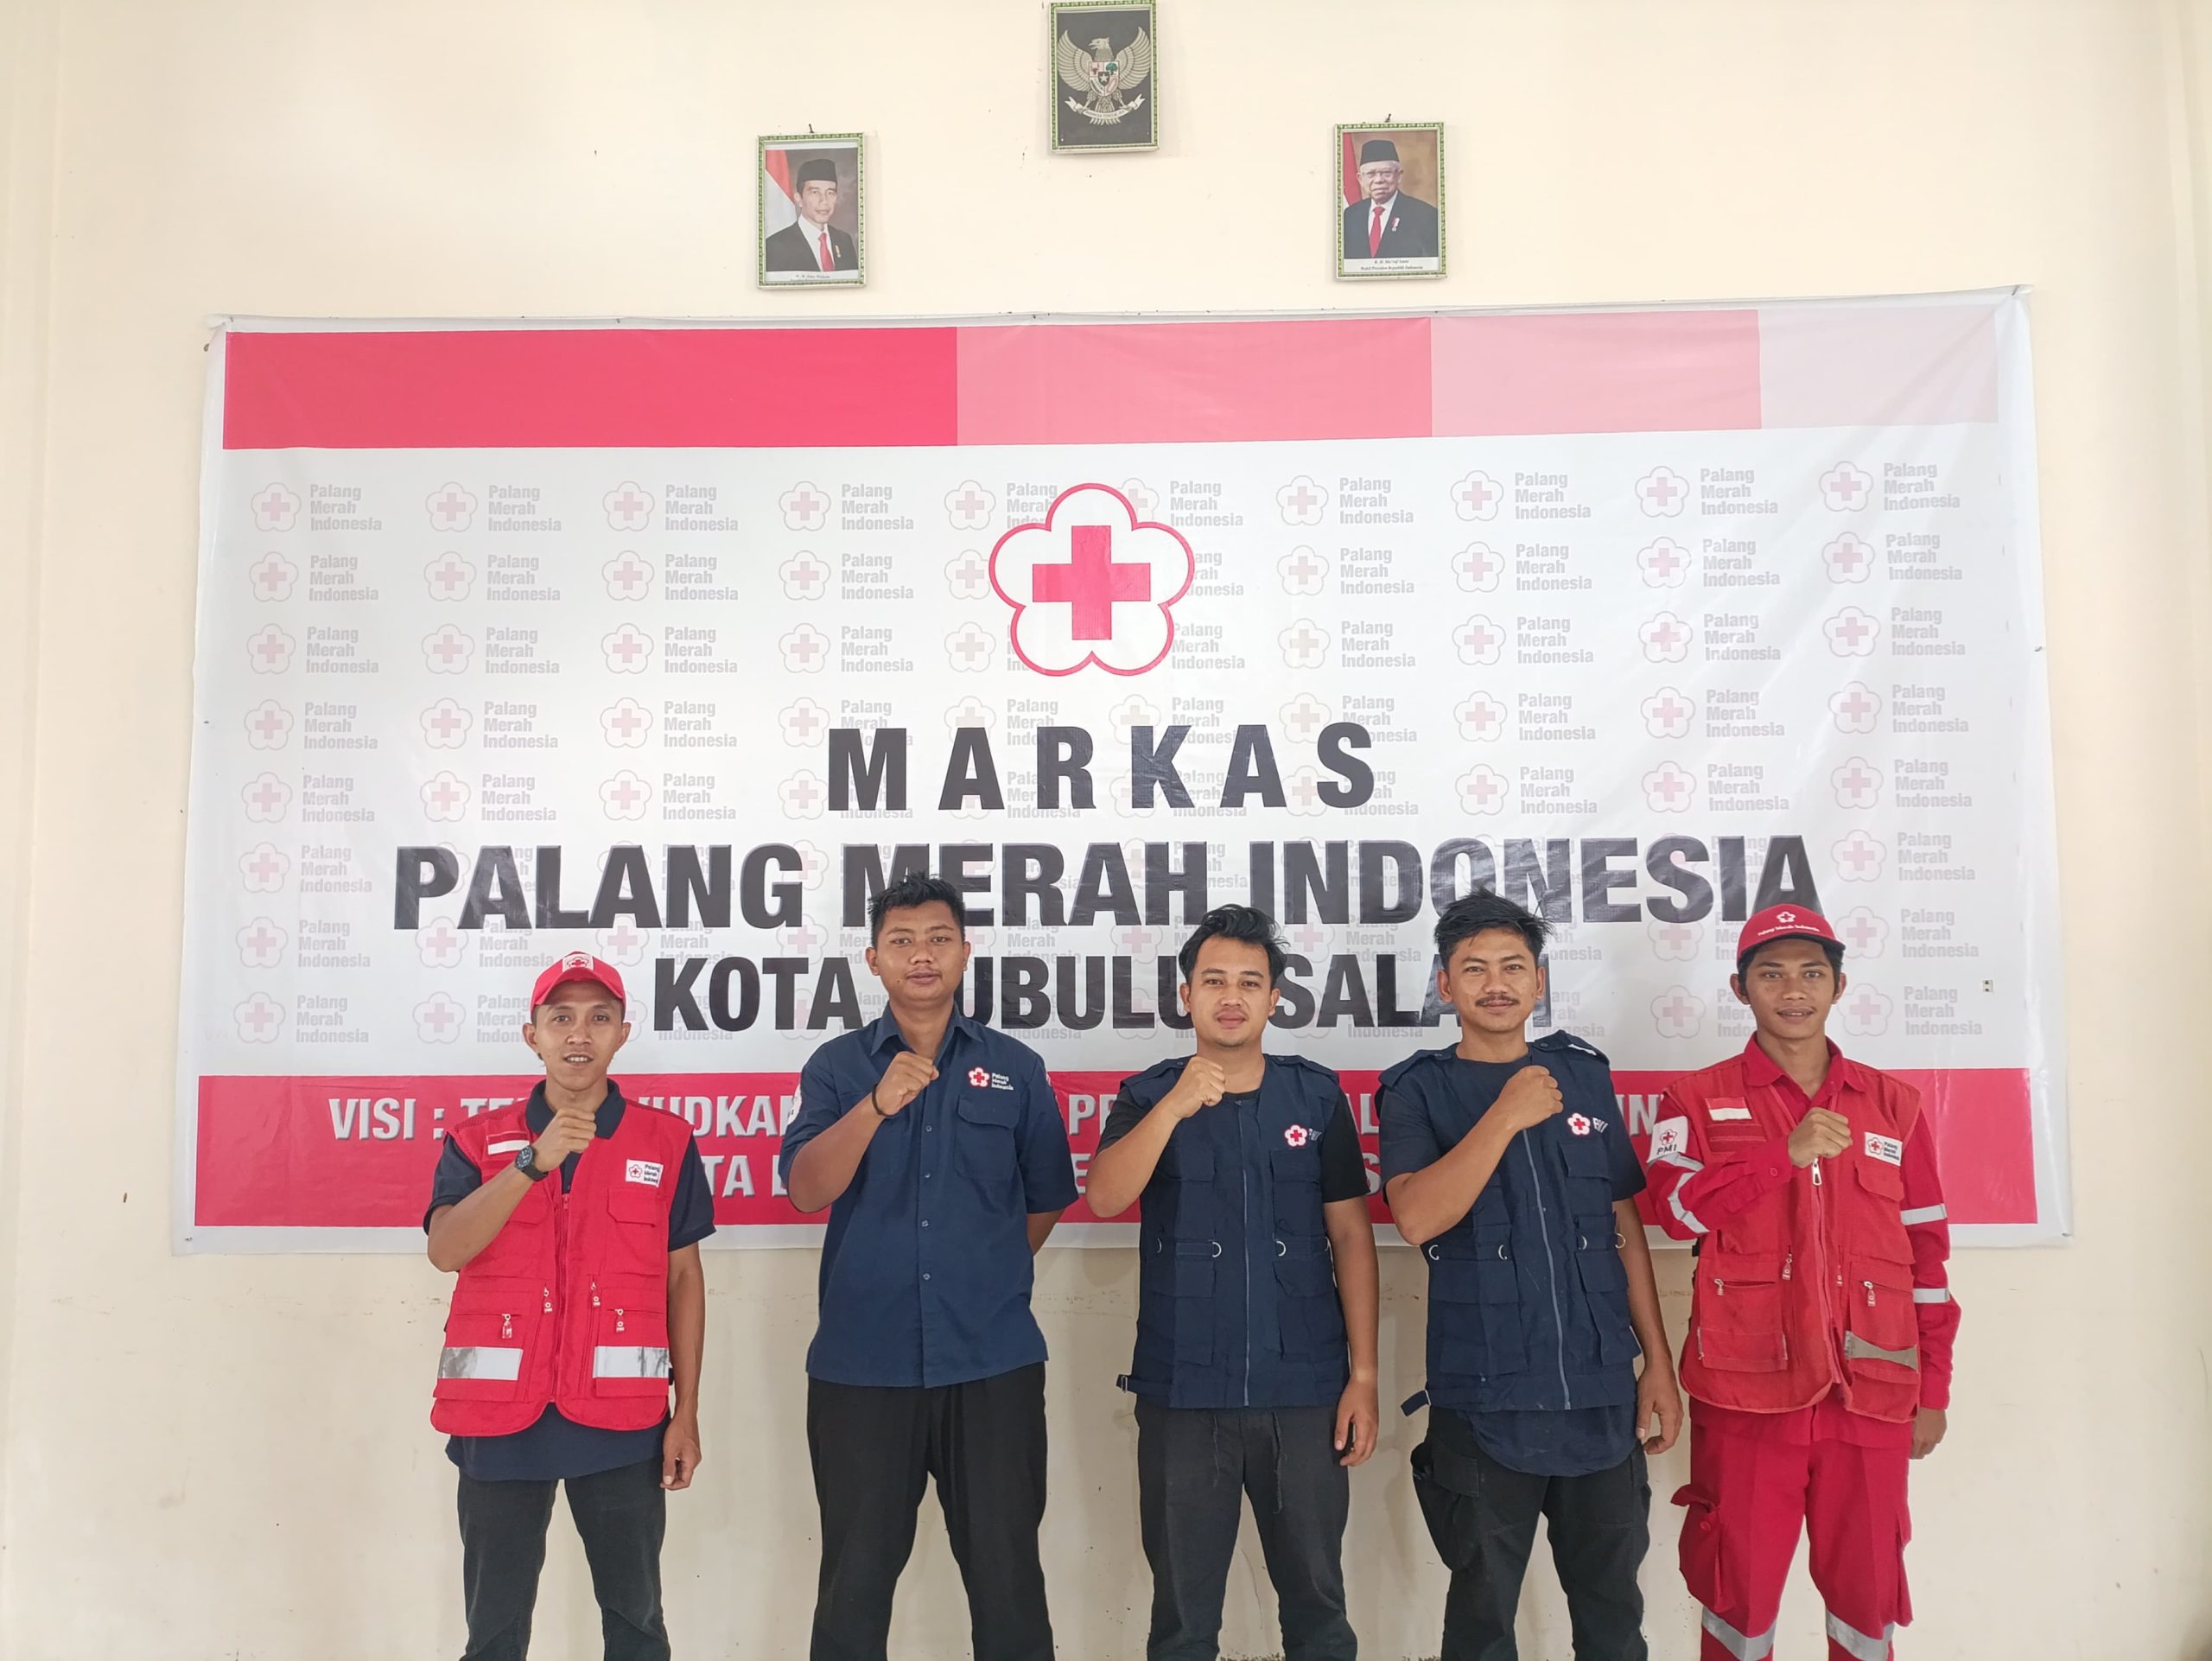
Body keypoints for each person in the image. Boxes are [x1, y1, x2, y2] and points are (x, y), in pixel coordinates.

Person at [1641, 906, 1958, 1661]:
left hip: (1872, 1394)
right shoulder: (1693, 1099)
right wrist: (1779, 1156)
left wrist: (1934, 1390)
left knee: (1867, 1602)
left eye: (1812, 973)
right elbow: (1675, 1214)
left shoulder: (1895, 1106)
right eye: (1771, 974)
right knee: (1738, 1600)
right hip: (1747, 1394)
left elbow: (1927, 1259)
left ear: (1839, 987)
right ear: (1740, 988)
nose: (1793, 990)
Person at [779, 871, 1079, 1661]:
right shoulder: (837, 1067)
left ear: (965, 953)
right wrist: (875, 1105)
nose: (922, 955)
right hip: (862, 1367)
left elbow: (1046, 1197)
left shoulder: (1016, 1067)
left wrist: (985, 1272)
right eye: (903, 941)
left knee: (1010, 1586)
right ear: (873, 959)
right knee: (853, 1589)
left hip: (991, 1364)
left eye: (939, 938)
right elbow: (807, 1190)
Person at [1379, 890, 1680, 1661]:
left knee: (1614, 1621)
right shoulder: (1416, 1088)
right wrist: (1506, 1114)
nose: (1496, 984)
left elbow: (1622, 1228)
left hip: (1600, 1396)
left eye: (1514, 966)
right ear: (1445, 986)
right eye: (1474, 968)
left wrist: (1658, 1364)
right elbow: (1416, 1218)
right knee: (1482, 1625)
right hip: (1486, 1403)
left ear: (1539, 981)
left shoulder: (1583, 1076)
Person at [1086, 905, 1381, 1661]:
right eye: (1214, 980)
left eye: (1250, 982)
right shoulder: (1148, 1094)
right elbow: (1106, 1196)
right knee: (1184, 1623)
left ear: (1275, 998)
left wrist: (1364, 1378)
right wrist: (1176, 1106)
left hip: (1304, 1394)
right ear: (1185, 995)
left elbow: (1352, 1236)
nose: (1231, 996)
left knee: (1319, 1612)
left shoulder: (1315, 1098)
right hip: (1185, 1395)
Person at [424, 951, 714, 1661]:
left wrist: (686, 1411)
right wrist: (532, 1162)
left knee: (637, 1624)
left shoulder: (668, 1142)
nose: (579, 1033)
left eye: (598, 1017)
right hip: (500, 1422)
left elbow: (683, 1279)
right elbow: (446, 1250)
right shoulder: (475, 1140)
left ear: (622, 1033)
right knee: (494, 1633)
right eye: (561, 1018)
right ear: (533, 1035)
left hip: (621, 1422)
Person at [1340, 137, 1440, 261]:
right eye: (1371, 174)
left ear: (1399, 176)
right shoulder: (1350, 216)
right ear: (1360, 179)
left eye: (1386, 173)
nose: (1378, 180)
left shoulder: (1426, 216)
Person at [766, 156, 859, 274]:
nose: (824, 201)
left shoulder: (844, 240)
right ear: (799, 199)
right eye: (815, 192)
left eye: (830, 193)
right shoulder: (776, 246)